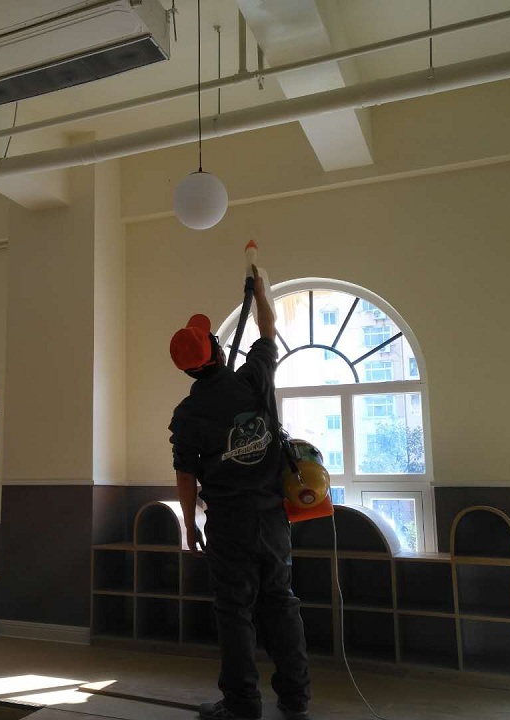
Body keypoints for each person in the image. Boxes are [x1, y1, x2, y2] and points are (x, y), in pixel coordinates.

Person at [168, 267, 311, 720]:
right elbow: (268, 329)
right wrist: (262, 291)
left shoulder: (188, 414)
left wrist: (189, 523)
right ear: (214, 350)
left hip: (228, 525)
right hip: (272, 517)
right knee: (280, 604)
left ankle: (242, 705)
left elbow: (186, 475)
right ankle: (295, 699)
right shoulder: (253, 379)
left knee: (234, 613)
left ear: (188, 368)